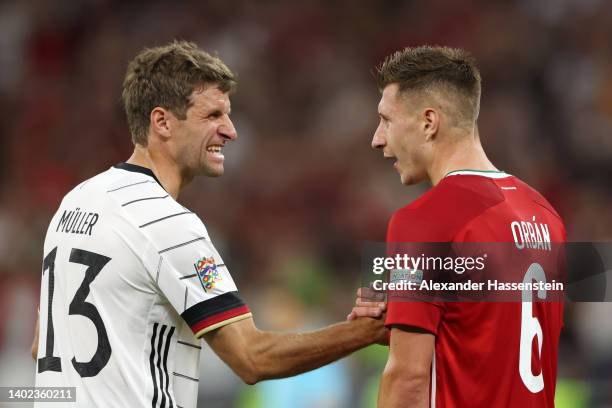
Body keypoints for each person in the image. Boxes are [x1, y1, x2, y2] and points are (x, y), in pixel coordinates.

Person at [32, 40, 386, 408]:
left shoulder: (75, 201)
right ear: (162, 122)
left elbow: (41, 341)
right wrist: (364, 331)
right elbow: (252, 357)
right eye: (212, 116)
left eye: (227, 114)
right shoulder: (167, 223)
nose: (230, 131)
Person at [360, 46, 565, 407]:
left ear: (429, 122)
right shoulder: (545, 215)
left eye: (386, 120)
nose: (378, 138)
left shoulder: (425, 221)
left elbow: (407, 378)